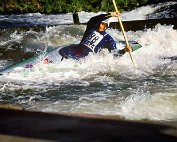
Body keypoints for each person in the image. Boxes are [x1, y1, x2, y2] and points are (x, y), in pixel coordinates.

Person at [59, 12, 132, 60]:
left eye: (103, 24)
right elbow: (94, 19)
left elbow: (114, 54)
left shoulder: (108, 39)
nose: (100, 24)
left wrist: (124, 50)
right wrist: (110, 14)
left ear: (106, 26)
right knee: (64, 54)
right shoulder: (91, 27)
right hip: (76, 50)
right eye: (100, 23)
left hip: (85, 59)